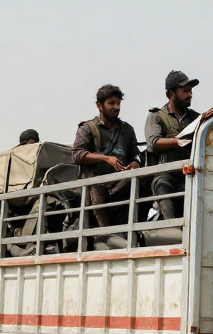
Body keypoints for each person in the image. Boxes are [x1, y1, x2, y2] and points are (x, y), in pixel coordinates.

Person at [72, 85, 140, 232]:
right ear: (99, 105)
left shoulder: (127, 129)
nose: (116, 107)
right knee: (98, 193)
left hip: (121, 182)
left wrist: (134, 164)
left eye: (118, 103)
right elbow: (77, 154)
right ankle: (104, 235)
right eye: (111, 103)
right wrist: (105, 158)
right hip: (96, 183)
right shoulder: (88, 128)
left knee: (140, 184)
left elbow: (136, 154)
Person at [144, 70, 199, 221]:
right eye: (185, 91)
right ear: (171, 93)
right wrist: (179, 141)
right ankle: (170, 228)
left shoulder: (196, 118)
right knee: (162, 184)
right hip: (166, 175)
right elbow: (153, 143)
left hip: (188, 174)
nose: (190, 95)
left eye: (190, 91)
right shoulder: (156, 116)